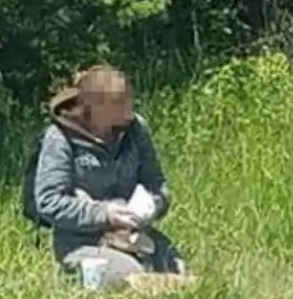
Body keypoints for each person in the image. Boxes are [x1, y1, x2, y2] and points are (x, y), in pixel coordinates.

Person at [32, 65, 184, 287]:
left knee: (176, 269)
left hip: (134, 234)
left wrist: (153, 204)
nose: (129, 109)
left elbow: (157, 184)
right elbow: (49, 202)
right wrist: (105, 214)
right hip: (81, 240)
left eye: (129, 99)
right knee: (131, 277)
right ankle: (74, 276)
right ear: (96, 107)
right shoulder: (60, 137)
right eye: (120, 103)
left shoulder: (136, 130)